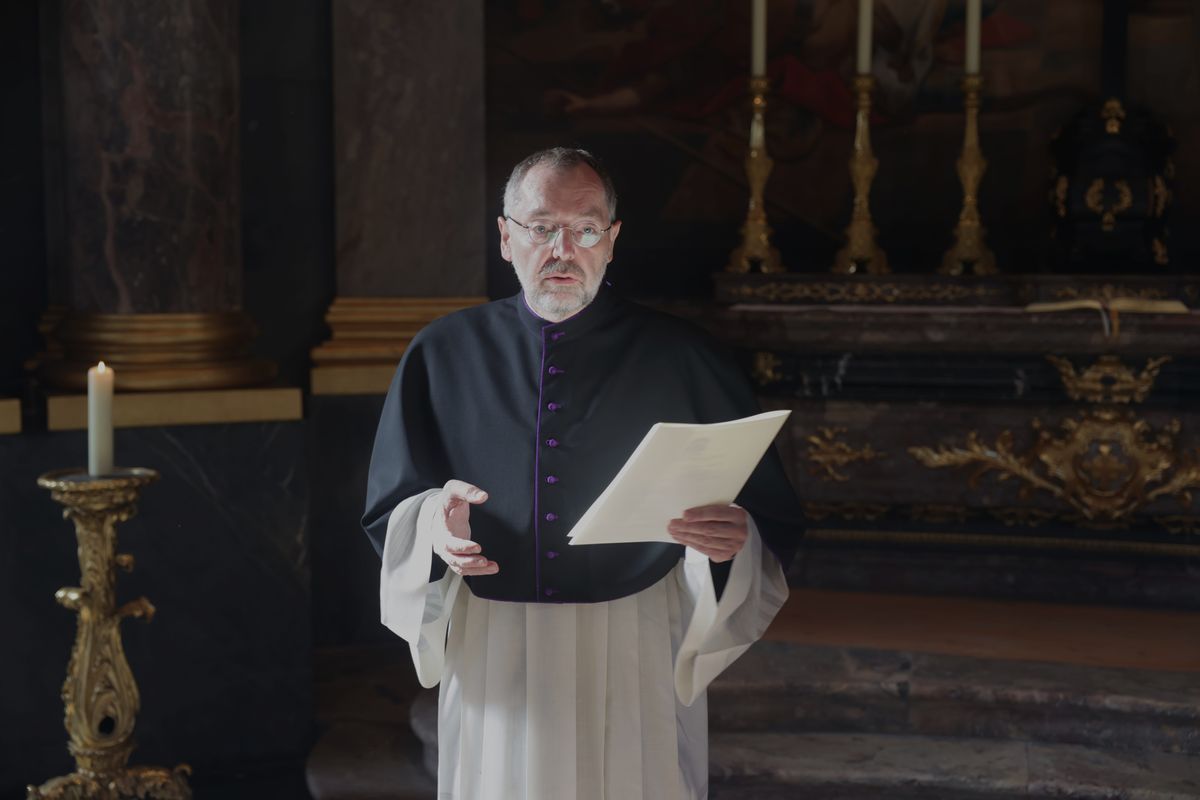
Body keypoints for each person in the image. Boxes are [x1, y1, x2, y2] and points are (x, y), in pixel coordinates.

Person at [362, 147, 802, 799]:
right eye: (542, 228)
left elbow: (765, 515)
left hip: (636, 638)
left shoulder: (685, 358)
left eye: (586, 228)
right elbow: (391, 505)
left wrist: (732, 540)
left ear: (613, 241)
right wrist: (435, 526)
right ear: (507, 238)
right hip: (495, 646)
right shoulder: (442, 353)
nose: (564, 248)